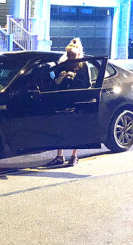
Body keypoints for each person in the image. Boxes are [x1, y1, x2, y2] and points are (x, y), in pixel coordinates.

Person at [46, 37, 90, 167]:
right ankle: (60, 155)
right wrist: (60, 78)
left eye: (73, 55)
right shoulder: (63, 63)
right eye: (69, 55)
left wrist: (74, 78)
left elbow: (87, 84)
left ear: (78, 54)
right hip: (63, 100)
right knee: (60, 128)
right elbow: (55, 82)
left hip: (76, 101)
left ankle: (74, 156)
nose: (71, 57)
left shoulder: (83, 65)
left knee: (74, 128)